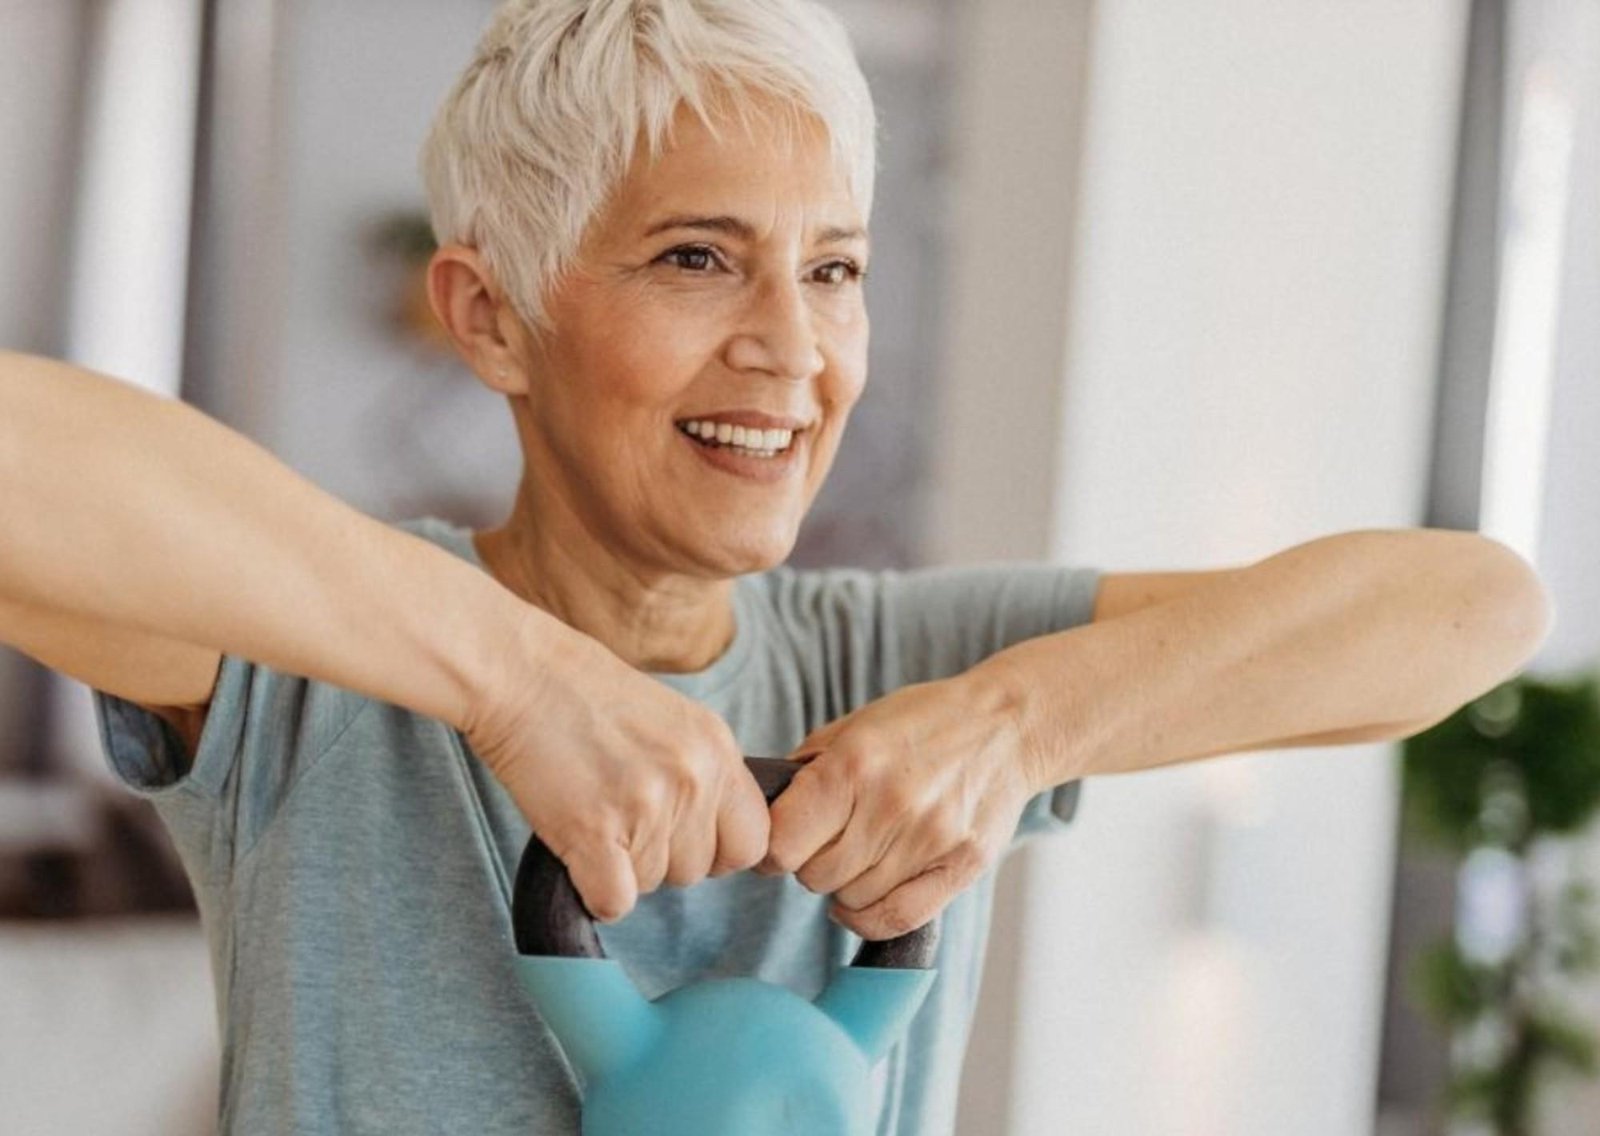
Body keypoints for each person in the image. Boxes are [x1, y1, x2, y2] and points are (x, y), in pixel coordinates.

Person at [0, 0, 1552, 1132]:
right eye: (698, 257)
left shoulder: (924, 669)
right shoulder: (313, 677)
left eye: (835, 269)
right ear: (490, 317)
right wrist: (521, 682)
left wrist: (1018, 727)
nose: (793, 349)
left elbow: (1475, 609)